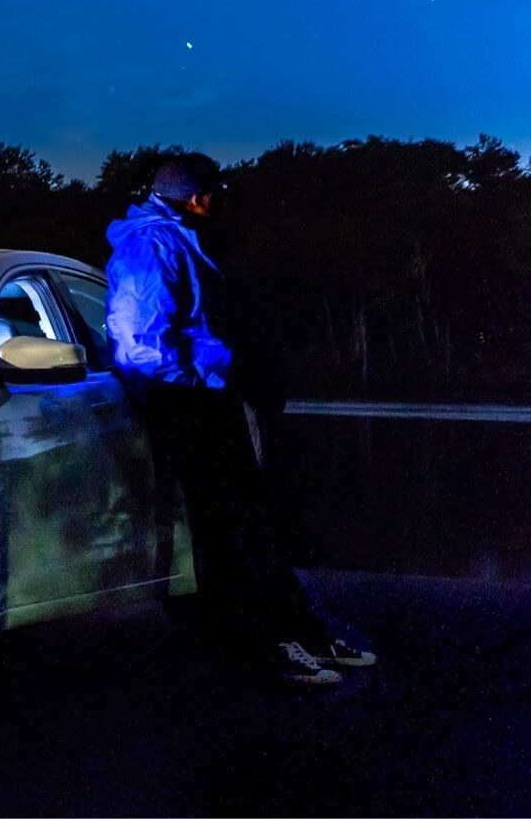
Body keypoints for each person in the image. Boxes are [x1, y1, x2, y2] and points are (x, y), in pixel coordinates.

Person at [105, 154, 375, 688]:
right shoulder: (150, 244)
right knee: (231, 527)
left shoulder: (181, 236)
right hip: (186, 403)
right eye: (214, 194)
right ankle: (269, 644)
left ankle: (301, 631)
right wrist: (206, 378)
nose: (220, 203)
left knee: (253, 522)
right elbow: (140, 345)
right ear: (196, 197)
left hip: (206, 398)